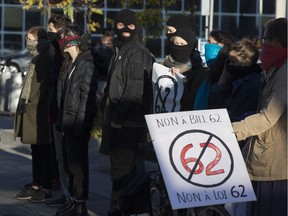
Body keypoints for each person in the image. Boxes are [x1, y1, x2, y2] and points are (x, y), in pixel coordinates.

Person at [100, 9, 153, 216]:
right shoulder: (120, 50)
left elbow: (134, 91)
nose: (125, 30)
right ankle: (123, 207)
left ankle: (123, 208)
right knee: (123, 169)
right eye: (120, 26)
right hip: (120, 120)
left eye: (130, 26)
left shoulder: (136, 52)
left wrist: (118, 119)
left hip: (128, 123)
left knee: (125, 170)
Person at [232, 17, 287, 216]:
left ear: (278, 41)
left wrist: (231, 130)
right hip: (266, 158)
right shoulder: (276, 68)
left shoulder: (285, 72)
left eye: (265, 39)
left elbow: (268, 117)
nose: (261, 45)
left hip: (274, 165)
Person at [54, 25, 99, 216]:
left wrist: (80, 125)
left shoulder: (86, 64)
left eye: (62, 37)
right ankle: (73, 200)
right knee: (68, 165)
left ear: (72, 40)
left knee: (77, 166)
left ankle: (80, 205)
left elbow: (86, 99)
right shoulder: (70, 64)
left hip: (77, 123)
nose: (60, 41)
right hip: (67, 122)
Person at [14, 26, 54, 202]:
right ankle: (37, 184)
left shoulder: (44, 57)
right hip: (31, 108)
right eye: (26, 39)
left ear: (40, 40)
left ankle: (44, 186)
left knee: (43, 149)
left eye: (30, 39)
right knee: (35, 148)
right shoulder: (36, 57)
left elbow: (44, 85)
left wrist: (35, 102)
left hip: (38, 110)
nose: (27, 42)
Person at [209, 37, 262, 148]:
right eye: (228, 61)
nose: (229, 65)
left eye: (233, 61)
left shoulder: (251, 84)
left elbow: (230, 112)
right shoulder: (234, 80)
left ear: (246, 63)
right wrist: (223, 77)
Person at [45, 14, 72, 207]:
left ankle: (72, 196)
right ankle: (65, 192)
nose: (49, 34)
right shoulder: (54, 50)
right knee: (59, 156)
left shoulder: (65, 52)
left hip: (65, 111)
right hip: (55, 107)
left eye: (51, 30)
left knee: (67, 156)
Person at [161, 26, 209, 111]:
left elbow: (192, 102)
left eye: (182, 44)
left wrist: (179, 80)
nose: (178, 47)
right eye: (176, 44)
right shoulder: (164, 66)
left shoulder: (198, 71)